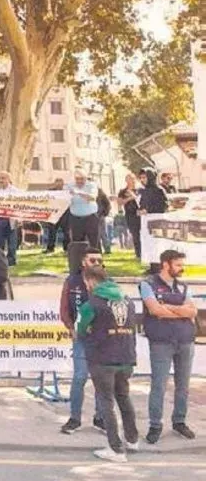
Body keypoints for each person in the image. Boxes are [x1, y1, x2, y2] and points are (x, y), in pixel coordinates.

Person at [77, 265, 140, 463]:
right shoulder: (128, 301)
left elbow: (81, 329)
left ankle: (116, 448)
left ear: (90, 281)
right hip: (126, 356)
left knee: (106, 402)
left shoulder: (92, 304)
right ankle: (132, 439)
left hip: (102, 358)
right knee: (123, 397)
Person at [140, 249, 197, 444]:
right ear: (166, 264)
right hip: (161, 342)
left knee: (183, 386)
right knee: (159, 385)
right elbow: (155, 310)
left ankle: (179, 421)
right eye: (178, 265)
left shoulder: (183, 286)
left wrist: (169, 308)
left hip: (186, 341)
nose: (182, 268)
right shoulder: (148, 284)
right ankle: (155, 425)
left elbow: (193, 312)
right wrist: (180, 311)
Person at [59, 247, 104, 434]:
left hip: (102, 339)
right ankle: (75, 418)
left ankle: (100, 417)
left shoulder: (107, 282)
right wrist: (71, 328)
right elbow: (64, 308)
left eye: (99, 261)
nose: (97, 264)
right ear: (83, 262)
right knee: (79, 377)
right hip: (81, 338)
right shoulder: (72, 281)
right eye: (92, 260)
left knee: (101, 379)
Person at [66, 169, 100, 250]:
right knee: (77, 243)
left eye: (82, 179)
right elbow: (62, 198)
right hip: (75, 217)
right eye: (77, 179)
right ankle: (79, 261)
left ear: (86, 178)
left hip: (90, 217)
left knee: (94, 242)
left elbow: (92, 198)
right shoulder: (70, 185)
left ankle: (95, 261)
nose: (79, 181)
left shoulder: (92, 185)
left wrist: (78, 192)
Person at [0, 172, 20, 265]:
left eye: (3, 178)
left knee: (12, 242)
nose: (1, 180)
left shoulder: (15, 191)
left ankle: (11, 260)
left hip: (11, 219)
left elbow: (19, 205)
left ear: (8, 179)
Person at [118, 174, 142, 260]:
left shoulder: (139, 190)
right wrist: (130, 198)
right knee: (135, 234)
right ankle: (138, 254)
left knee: (143, 234)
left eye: (132, 179)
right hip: (130, 215)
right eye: (128, 179)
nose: (130, 181)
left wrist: (134, 196)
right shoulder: (123, 191)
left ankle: (145, 253)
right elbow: (120, 203)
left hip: (140, 214)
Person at [45, 177, 70, 254]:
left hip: (64, 214)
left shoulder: (67, 192)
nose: (58, 184)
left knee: (66, 232)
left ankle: (66, 248)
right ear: (54, 183)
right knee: (51, 231)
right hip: (54, 214)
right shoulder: (50, 192)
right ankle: (50, 248)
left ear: (63, 184)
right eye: (57, 182)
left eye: (60, 183)